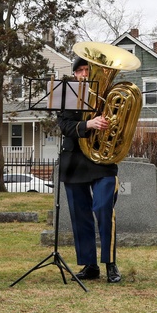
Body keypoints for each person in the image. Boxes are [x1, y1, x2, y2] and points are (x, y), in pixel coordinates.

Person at [58, 57, 121, 283]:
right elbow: (64, 126)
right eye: (80, 70)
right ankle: (90, 265)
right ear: (74, 74)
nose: (84, 74)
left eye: (87, 69)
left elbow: (120, 124)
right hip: (74, 160)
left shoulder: (110, 94)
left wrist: (109, 123)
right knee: (80, 215)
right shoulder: (67, 94)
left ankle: (110, 263)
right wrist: (88, 124)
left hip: (102, 161)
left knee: (104, 208)